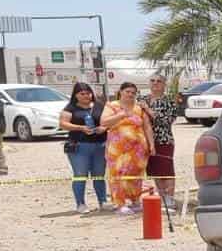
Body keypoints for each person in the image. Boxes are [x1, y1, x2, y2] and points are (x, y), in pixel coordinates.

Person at [104, 81, 154, 214]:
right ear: (121, 92)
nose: (130, 94)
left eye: (133, 92)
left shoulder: (139, 108)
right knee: (118, 173)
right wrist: (120, 115)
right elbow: (104, 122)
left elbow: (147, 127)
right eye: (127, 92)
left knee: (136, 174)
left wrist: (151, 144)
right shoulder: (112, 105)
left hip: (138, 149)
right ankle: (119, 203)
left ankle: (135, 200)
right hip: (118, 149)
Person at [59, 82, 109, 214]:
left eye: (88, 93)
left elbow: (108, 121)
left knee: (99, 175)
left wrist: (103, 128)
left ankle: (102, 201)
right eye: (82, 93)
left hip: (100, 145)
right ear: (76, 95)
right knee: (80, 175)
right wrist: (80, 128)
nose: (86, 95)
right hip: (80, 146)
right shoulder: (71, 108)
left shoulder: (99, 106)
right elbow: (63, 123)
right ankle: (80, 203)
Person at [140, 75, 180, 199]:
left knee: (166, 170)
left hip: (163, 140)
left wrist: (148, 110)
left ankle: (169, 199)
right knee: (155, 171)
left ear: (164, 85)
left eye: (159, 81)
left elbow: (167, 121)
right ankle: (162, 196)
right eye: (152, 80)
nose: (155, 83)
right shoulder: (142, 99)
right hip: (145, 141)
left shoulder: (169, 101)